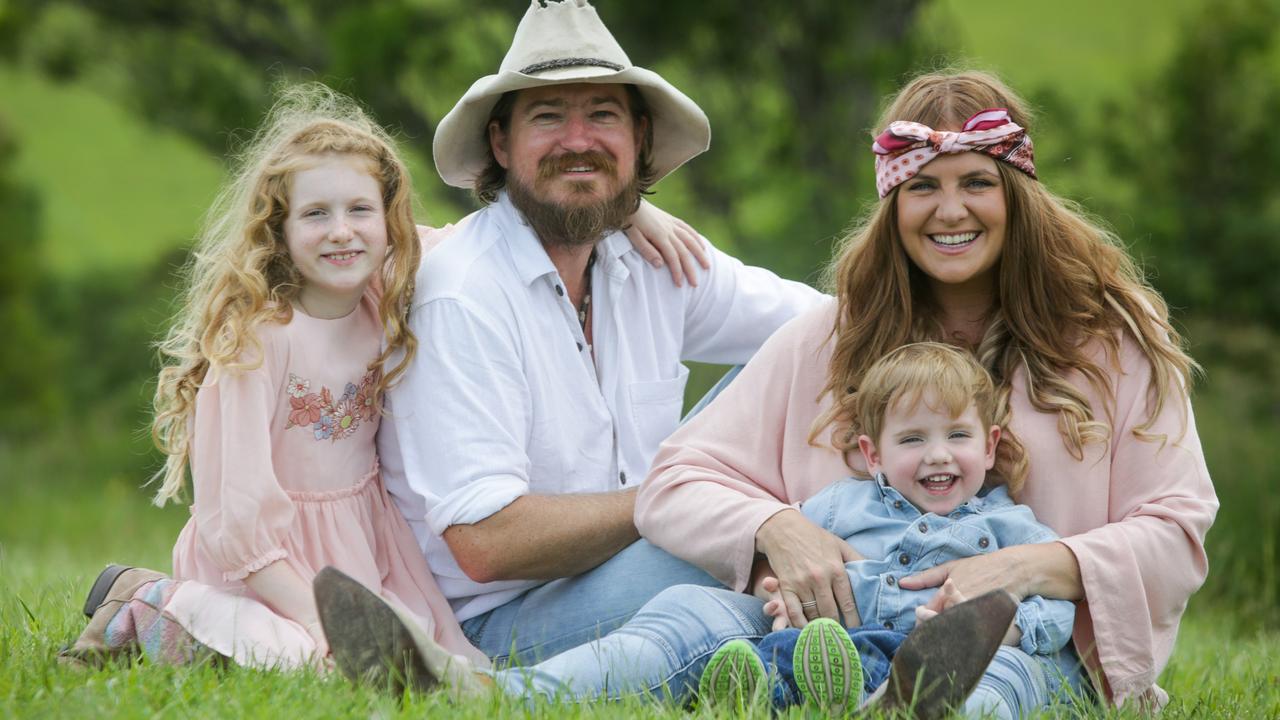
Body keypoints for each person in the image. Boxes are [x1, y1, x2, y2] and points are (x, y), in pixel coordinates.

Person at [58, 83, 701, 673]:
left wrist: (625, 211)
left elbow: (492, 236)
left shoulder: (382, 287)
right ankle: (148, 606)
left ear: (386, 220)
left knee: (437, 669)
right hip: (267, 559)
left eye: (359, 210)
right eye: (315, 215)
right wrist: (317, 619)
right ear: (277, 228)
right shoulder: (254, 341)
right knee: (310, 659)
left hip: (364, 544)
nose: (341, 232)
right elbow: (237, 516)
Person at [636, 69, 1218, 711]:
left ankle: (911, 699)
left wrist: (1020, 571)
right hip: (843, 636)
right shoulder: (832, 336)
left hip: (1030, 648)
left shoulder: (1109, 338)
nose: (950, 210)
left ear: (1017, 194)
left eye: (976, 182)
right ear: (894, 203)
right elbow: (673, 480)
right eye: (922, 186)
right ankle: (512, 688)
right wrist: (776, 528)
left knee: (985, 684)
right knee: (689, 618)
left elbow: (1175, 531)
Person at [378, 0, 825, 665]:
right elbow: (486, 542)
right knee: (717, 568)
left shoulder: (651, 260)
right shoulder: (463, 292)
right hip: (509, 616)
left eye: (603, 114)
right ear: (501, 143)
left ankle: (865, 636)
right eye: (548, 116)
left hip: (635, 562)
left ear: (639, 137)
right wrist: (701, 504)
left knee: (819, 363)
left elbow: (829, 324)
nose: (578, 139)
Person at [695, 342, 1078, 718]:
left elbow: (1056, 606)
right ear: (874, 454)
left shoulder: (1009, 525)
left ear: (989, 446)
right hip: (845, 646)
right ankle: (757, 691)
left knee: (978, 677)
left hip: (940, 664)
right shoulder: (841, 505)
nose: (938, 454)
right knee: (788, 644)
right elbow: (788, 560)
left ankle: (862, 701)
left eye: (958, 435)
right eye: (913, 439)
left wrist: (992, 630)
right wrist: (781, 589)